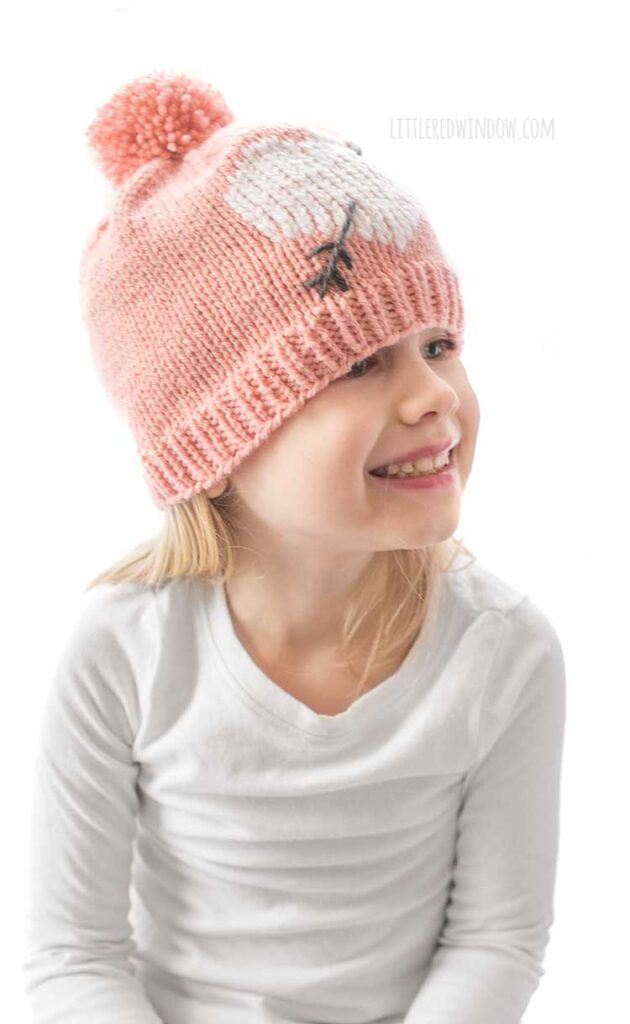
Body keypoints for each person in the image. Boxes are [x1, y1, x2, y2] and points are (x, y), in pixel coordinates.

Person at [21, 70, 566, 1024]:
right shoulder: (122, 653)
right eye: (359, 362)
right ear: (221, 440)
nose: (434, 394)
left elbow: (495, 941)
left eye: (438, 344)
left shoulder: (503, 652)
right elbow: (74, 956)